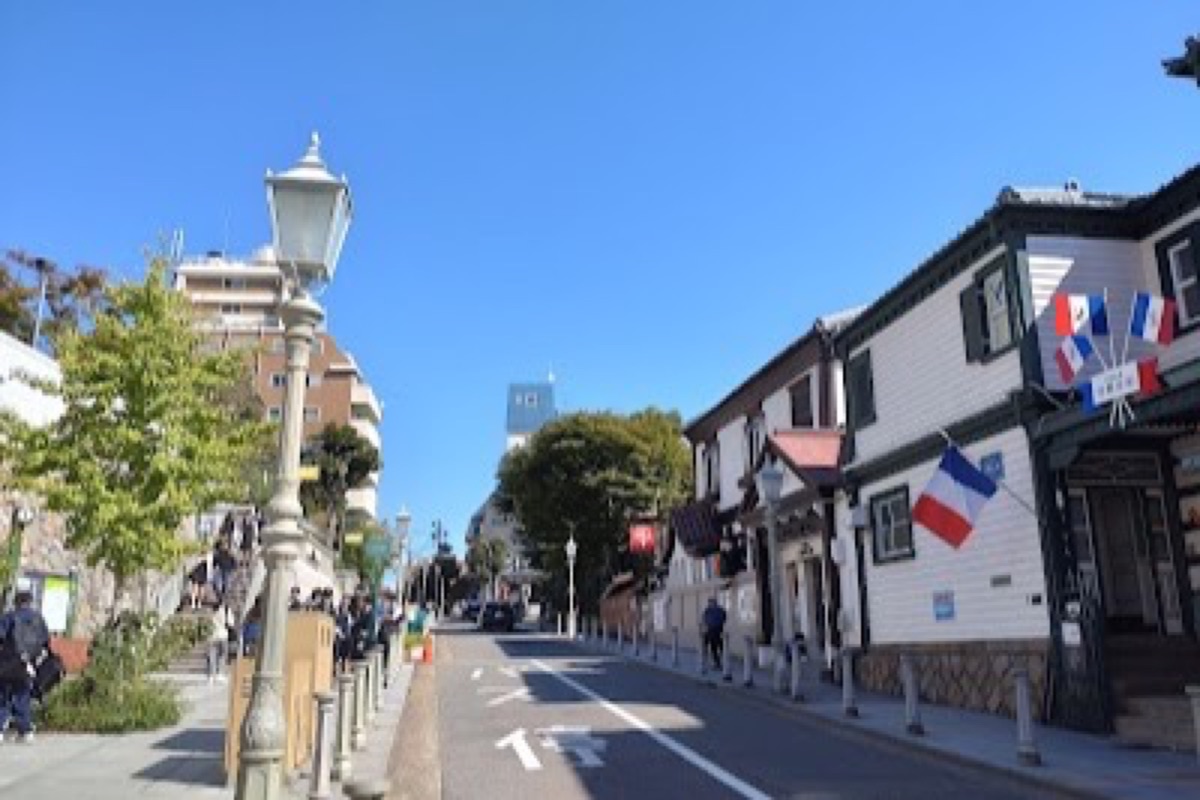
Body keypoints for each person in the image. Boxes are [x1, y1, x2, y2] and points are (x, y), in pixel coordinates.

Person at [0, 591, 50, 743]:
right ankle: (26, 731)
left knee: (4, 696)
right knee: (23, 697)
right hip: (29, 664)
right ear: (30, 602)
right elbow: (45, 641)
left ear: (16, 602)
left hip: (8, 663)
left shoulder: (9, 617)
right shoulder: (39, 618)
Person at [701, 597, 727, 671]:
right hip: (712, 630)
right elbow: (705, 619)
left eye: (711, 602)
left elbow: (723, 619)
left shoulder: (719, 610)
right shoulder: (708, 610)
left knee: (719, 647)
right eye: (710, 603)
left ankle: (720, 662)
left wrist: (715, 625)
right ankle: (717, 662)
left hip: (717, 631)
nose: (710, 604)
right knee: (714, 648)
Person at [206, 605, 229, 684]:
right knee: (222, 655)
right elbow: (231, 623)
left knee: (211, 656)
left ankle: (211, 676)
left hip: (211, 636)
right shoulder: (226, 610)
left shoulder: (208, 612)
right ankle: (220, 674)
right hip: (222, 635)